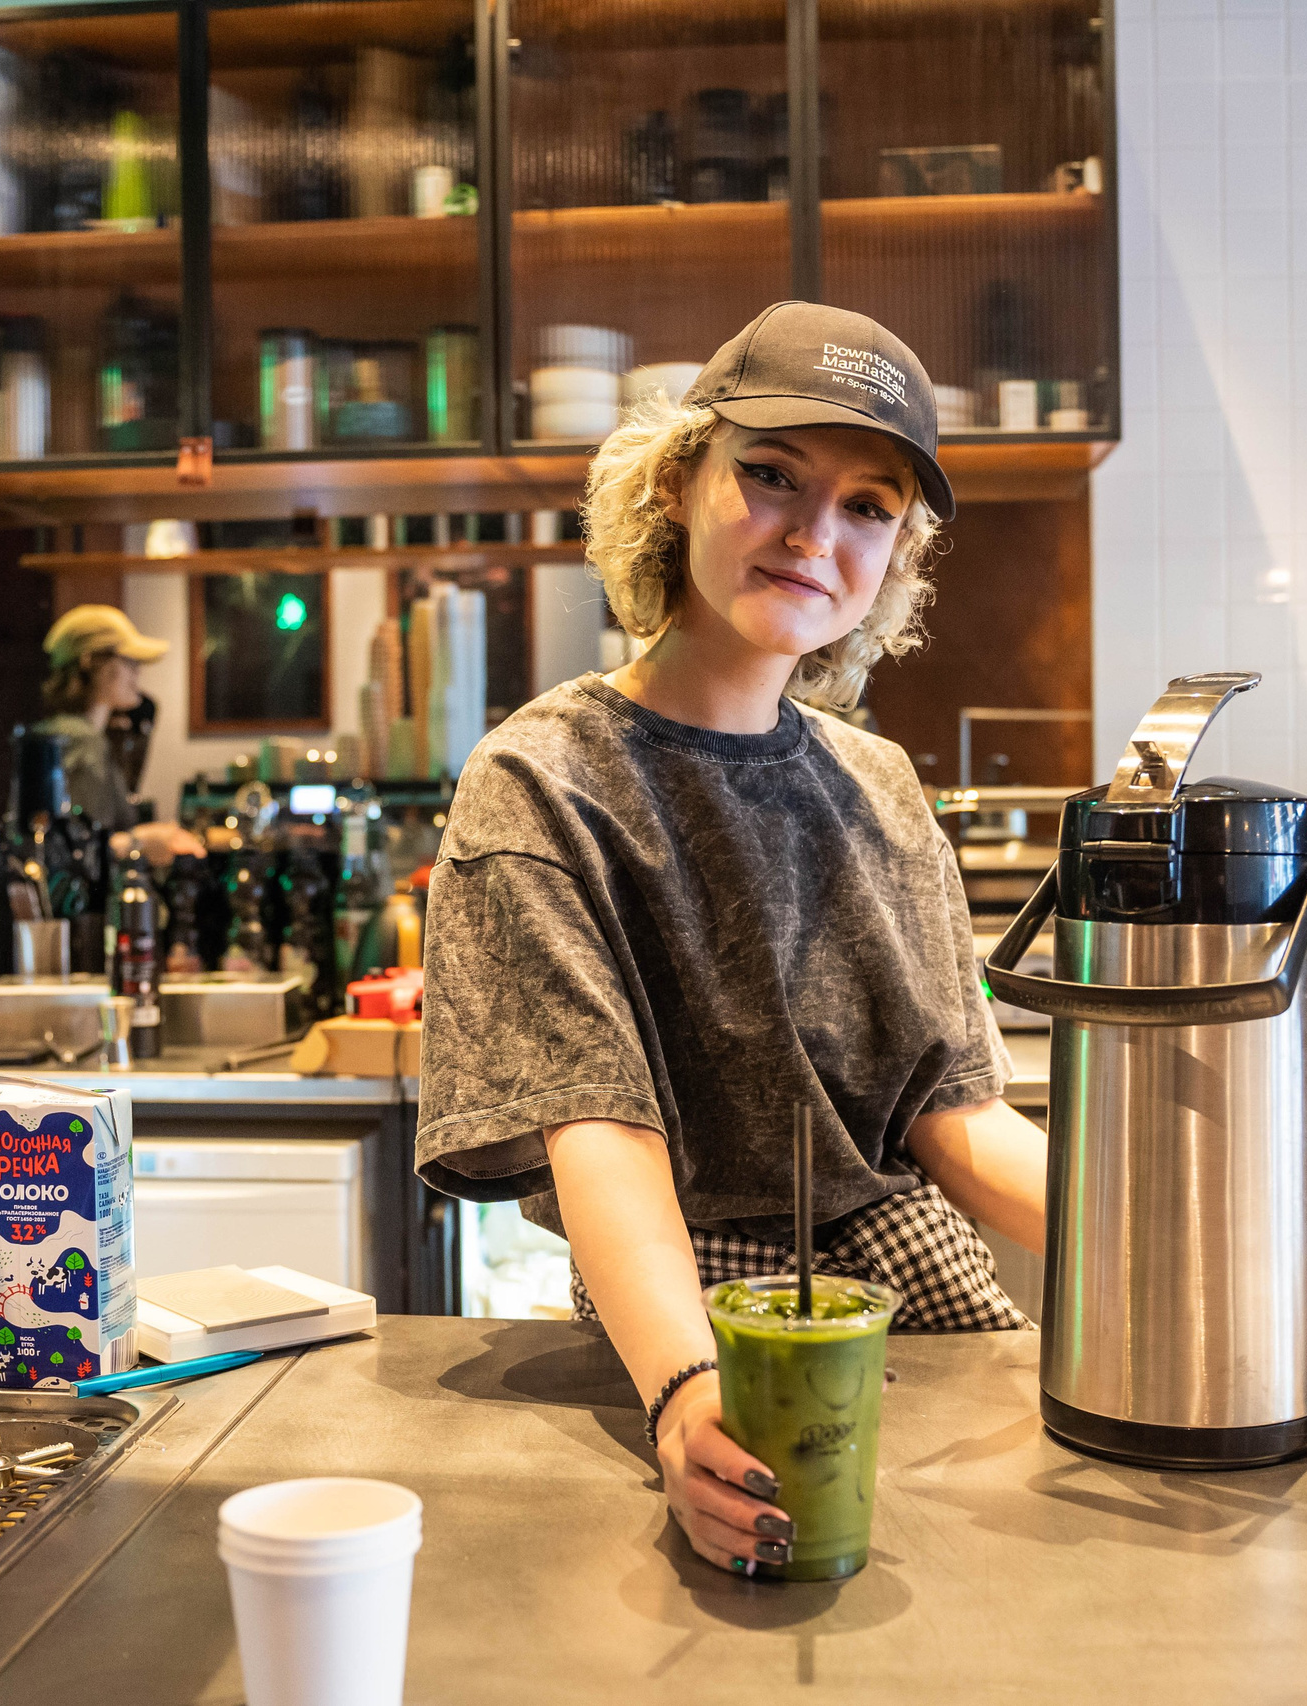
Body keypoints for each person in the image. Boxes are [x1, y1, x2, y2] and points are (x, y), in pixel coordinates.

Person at [416, 302, 1048, 1579]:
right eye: (771, 476)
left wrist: (1197, 1274)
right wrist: (686, 1396)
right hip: (688, 1312)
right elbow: (599, 1126)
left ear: (896, 560)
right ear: (673, 484)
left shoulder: (880, 783)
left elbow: (956, 1118)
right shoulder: (543, 777)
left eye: (869, 506)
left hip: (905, 1286)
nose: (817, 533)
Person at [33, 604, 203, 865]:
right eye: (129, 660)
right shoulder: (83, 741)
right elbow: (78, 849)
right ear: (90, 662)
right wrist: (143, 842)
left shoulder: (65, 734)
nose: (137, 672)